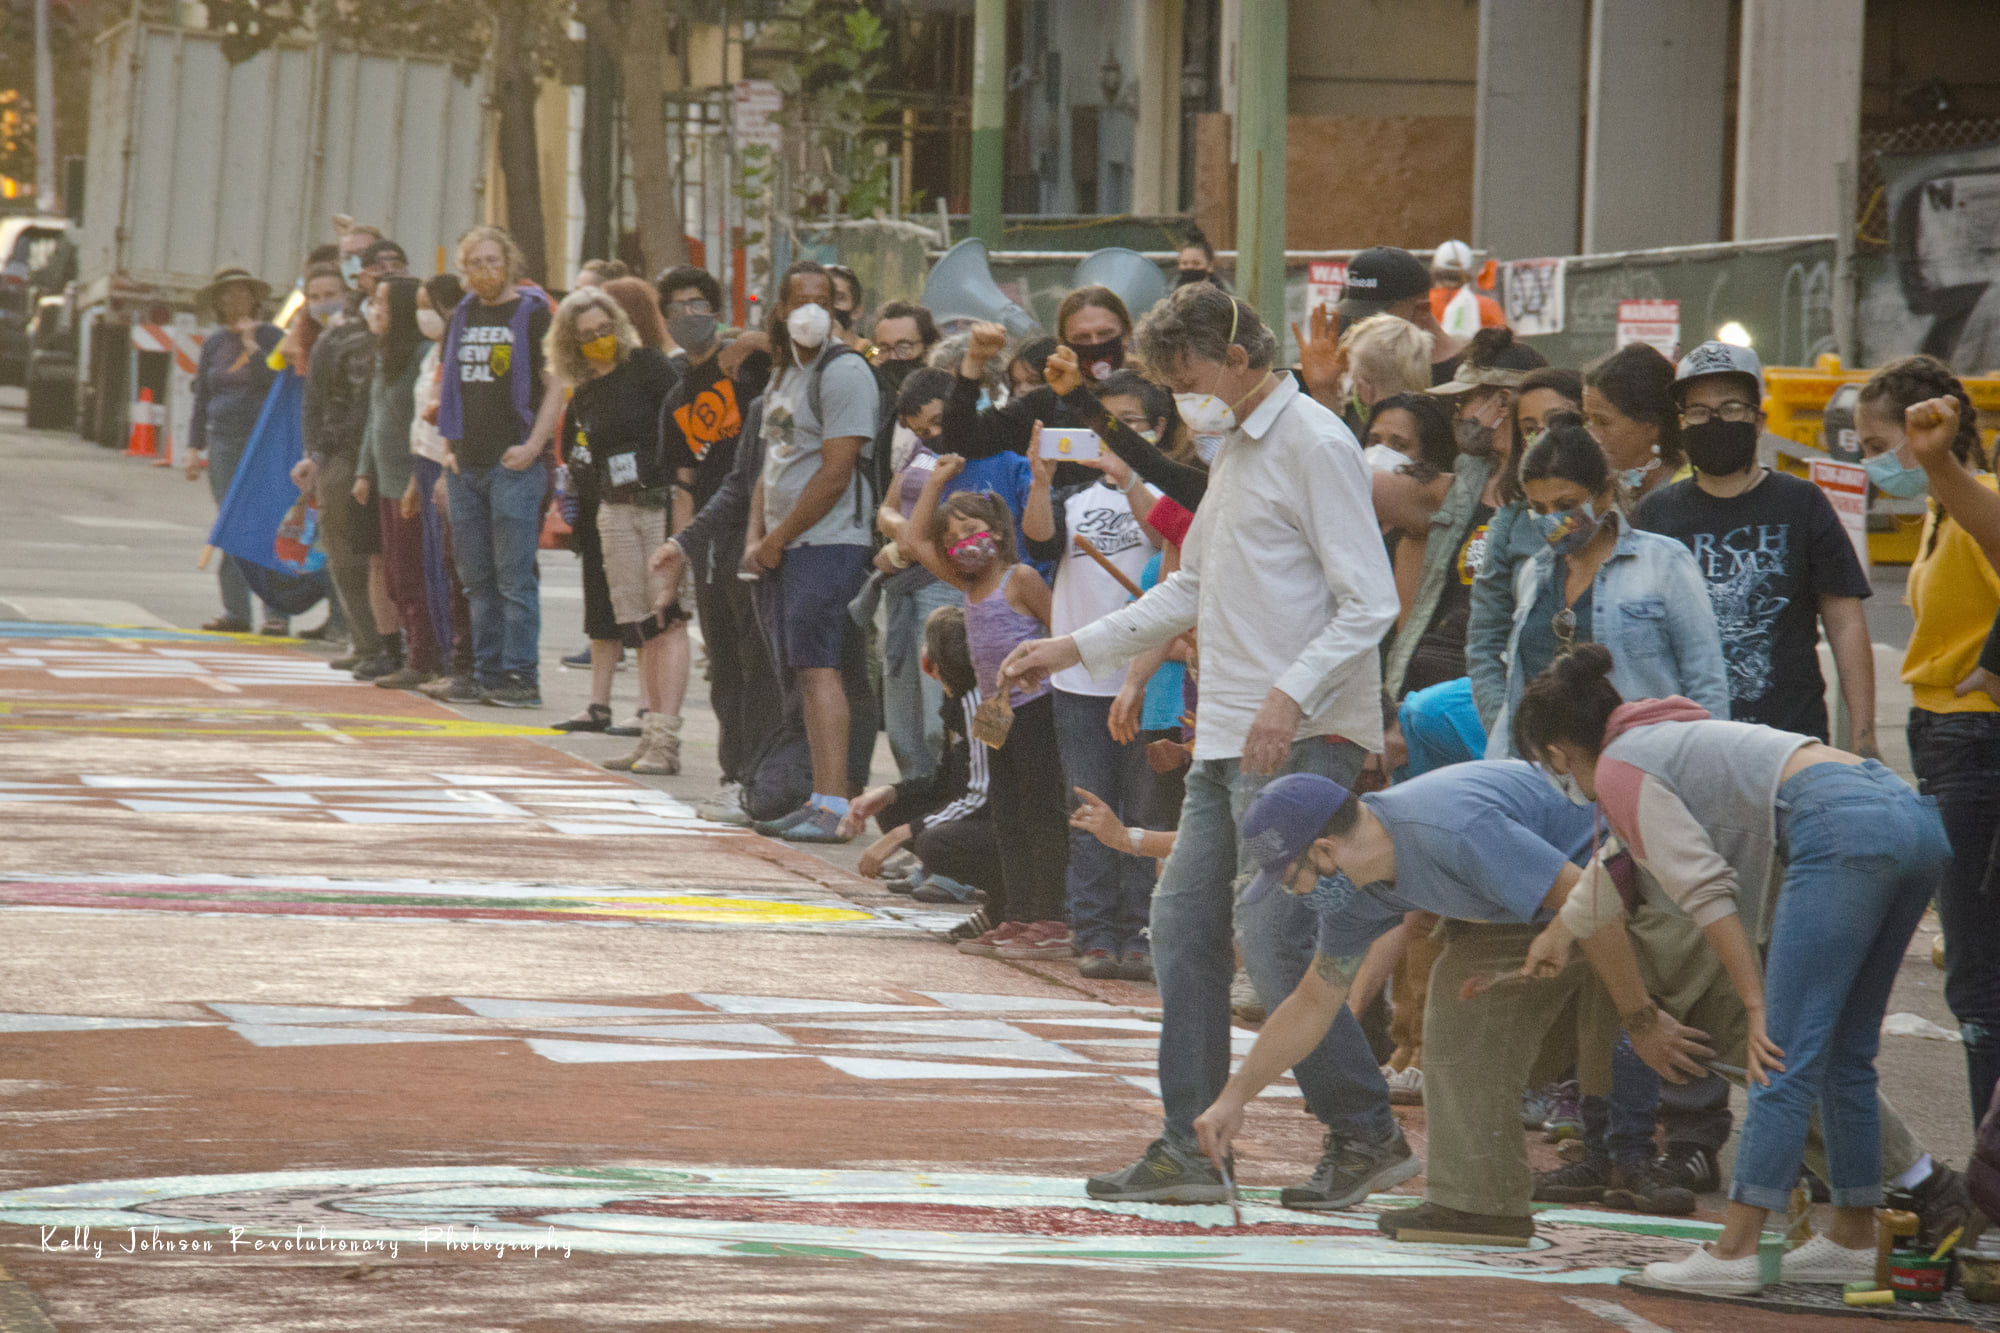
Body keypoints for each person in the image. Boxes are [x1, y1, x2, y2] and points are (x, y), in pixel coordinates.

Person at [1000, 284, 1414, 1210]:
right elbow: (1197, 588)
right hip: (1231, 731)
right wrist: (1075, 645)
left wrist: (1289, 691)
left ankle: (1364, 1130)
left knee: (1270, 937)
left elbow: (1371, 599)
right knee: (1181, 928)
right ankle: (1190, 1142)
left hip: (1299, 732)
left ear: (1234, 355)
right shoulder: (1236, 449)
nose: (1184, 395)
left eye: (1186, 375)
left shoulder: (1313, 441)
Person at [1515, 646, 1952, 1293]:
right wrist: (1559, 932)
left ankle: (1735, 1249)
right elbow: (1617, 859)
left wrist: (1753, 1006)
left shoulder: (1617, 768)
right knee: (1842, 1058)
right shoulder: (1657, 732)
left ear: (1556, 752)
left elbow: (1704, 887)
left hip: (1839, 827)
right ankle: (1857, 1238)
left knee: (1779, 1052)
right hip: (1909, 817)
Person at [1192, 764, 1598, 1244]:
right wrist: (1233, 1099)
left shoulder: (1448, 830)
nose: (1291, 892)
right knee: (1458, 1009)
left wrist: (1639, 1011)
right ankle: (1481, 1206)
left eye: (1289, 877)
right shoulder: (1351, 888)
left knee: (1630, 1017)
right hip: (1523, 907)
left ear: (1325, 851)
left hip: (1601, 880)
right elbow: (1314, 1001)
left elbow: (1586, 893)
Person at [1856, 360, 2000, 1127]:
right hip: (1948, 736)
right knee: (1975, 974)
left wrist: (1987, 677)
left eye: (1880, 442)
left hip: (1973, 740)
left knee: (1978, 980)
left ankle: (1992, 1178)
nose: (1874, 460)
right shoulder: (1941, 517)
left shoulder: (1975, 504)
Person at [1637, 341, 1876, 751]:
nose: (1714, 421)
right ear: (1681, 423)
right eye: (1698, 411)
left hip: (1789, 744)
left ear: (1759, 421)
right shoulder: (1654, 515)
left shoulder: (1802, 503)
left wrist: (1864, 736)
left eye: (1731, 408)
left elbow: (1845, 622)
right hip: (1684, 746)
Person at [1485, 415, 1728, 758]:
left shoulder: (1664, 562)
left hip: (1643, 765)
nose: (1551, 519)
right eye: (1538, 508)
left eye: (1565, 505)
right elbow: (1518, 691)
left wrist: (1707, 769)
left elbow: (1707, 682)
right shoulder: (1532, 575)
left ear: (1604, 493)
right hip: (1547, 774)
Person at [904, 458, 1070, 957]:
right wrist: (934, 482)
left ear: (998, 532)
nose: (964, 544)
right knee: (1008, 816)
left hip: (1036, 709)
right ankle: (1017, 914)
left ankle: (1051, 917)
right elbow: (914, 540)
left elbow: (1059, 632)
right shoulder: (968, 586)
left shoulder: (1019, 580)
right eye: (953, 539)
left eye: (973, 531)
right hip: (996, 719)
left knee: (1041, 814)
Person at [743, 260, 881, 841]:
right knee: (804, 670)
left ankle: (834, 803)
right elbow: (771, 465)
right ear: (779, 309)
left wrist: (777, 538)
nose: (811, 310)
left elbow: (835, 470)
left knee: (822, 670)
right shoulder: (784, 374)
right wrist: (757, 537)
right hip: (786, 546)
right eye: (799, 299)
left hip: (828, 542)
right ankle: (816, 794)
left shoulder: (843, 371)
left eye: (823, 300)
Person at [1024, 420, 1162, 982]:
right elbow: (1036, 541)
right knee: (1088, 806)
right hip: (1079, 682)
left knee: (1143, 809)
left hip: (1146, 682)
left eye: (1135, 423)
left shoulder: (1167, 497)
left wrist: (1128, 476)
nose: (1119, 435)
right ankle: (1095, 933)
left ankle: (1140, 931)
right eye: (1109, 425)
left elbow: (1166, 541)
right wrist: (1039, 481)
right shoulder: (1072, 499)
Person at [650, 265, 775, 821]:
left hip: (761, 527)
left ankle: (765, 779)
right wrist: (678, 556)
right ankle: (733, 776)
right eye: (675, 307)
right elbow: (682, 486)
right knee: (724, 666)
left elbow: (803, 354)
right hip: (709, 539)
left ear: (717, 308)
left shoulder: (748, 366)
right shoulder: (677, 396)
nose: (688, 317)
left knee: (759, 664)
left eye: (699, 304)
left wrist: (749, 339)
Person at [548, 286, 686, 771]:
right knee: (637, 622)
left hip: (657, 501)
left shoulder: (648, 367)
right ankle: (649, 735)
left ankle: (666, 735)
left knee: (666, 615)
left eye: (605, 330)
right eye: (586, 335)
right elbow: (578, 450)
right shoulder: (585, 392)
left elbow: (681, 423)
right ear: (571, 342)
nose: (598, 340)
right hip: (612, 506)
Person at [1381, 328, 1549, 700]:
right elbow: (1355, 485)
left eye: (1466, 402)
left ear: (1503, 403)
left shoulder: (1552, 500)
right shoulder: (1458, 489)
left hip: (1496, 688)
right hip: (1424, 684)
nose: (1459, 416)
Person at [436, 224, 562, 709]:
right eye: (476, 263)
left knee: (514, 579)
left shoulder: (533, 315)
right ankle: (486, 673)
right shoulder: (461, 316)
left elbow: (556, 384)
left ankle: (521, 677)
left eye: (494, 260)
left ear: (509, 262)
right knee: (477, 580)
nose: (487, 270)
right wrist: (448, 446)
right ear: (464, 270)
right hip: (465, 464)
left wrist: (533, 446)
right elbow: (450, 386)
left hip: (513, 464)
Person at [837, 603, 999, 906]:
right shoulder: (959, 697)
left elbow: (981, 795)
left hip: (1000, 822)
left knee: (933, 841)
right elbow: (947, 783)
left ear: (928, 664)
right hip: (983, 810)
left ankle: (957, 877)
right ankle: (933, 867)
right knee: (890, 804)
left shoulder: (982, 706)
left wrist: (901, 834)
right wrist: (889, 792)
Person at [1467, 367, 1585, 729]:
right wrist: (1505, 726)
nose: (1542, 437)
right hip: (1527, 728)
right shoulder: (1509, 523)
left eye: (1556, 422)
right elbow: (1484, 645)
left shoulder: (1614, 518)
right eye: (1529, 428)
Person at [293, 258, 390, 678]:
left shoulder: (389, 335)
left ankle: (388, 644)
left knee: (382, 557)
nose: (323, 303)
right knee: (343, 553)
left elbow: (367, 404)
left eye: (330, 294)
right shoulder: (332, 338)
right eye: (314, 297)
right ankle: (365, 640)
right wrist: (315, 454)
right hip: (341, 455)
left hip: (378, 451)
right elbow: (314, 402)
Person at [186, 265, 284, 635]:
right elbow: (203, 397)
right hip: (224, 440)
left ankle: (276, 612)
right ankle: (236, 611)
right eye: (228, 294)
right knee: (231, 522)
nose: (236, 300)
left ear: (255, 299)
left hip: (263, 441)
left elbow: (275, 379)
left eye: (243, 293)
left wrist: (251, 344)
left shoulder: (272, 336)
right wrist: (193, 447)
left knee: (267, 523)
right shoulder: (213, 344)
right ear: (218, 302)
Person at [355, 275, 441, 689]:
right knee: (392, 572)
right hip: (384, 479)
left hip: (411, 478)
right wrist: (363, 470)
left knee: (413, 572)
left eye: (385, 303)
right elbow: (374, 418)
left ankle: (423, 656)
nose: (377, 310)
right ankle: (407, 652)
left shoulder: (422, 353)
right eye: (374, 302)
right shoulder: (383, 353)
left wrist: (414, 477)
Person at [409, 274, 473, 694]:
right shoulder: (430, 353)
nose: (422, 313)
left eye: (427, 303)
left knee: (452, 568)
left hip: (446, 461)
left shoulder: (457, 347)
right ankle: (441, 657)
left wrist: (448, 465)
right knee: (432, 567)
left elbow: (448, 409)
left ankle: (456, 657)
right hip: (424, 459)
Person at [1338, 246, 1461, 383]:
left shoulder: (1463, 377)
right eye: (1355, 318)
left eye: (1374, 320)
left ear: (1421, 311)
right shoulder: (1369, 367)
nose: (1359, 329)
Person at [1583, 342, 1685, 505]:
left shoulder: (1684, 498)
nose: (1592, 435)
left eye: (1602, 422)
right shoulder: (1593, 494)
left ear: (1651, 426)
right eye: (1587, 421)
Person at [1427, 239, 1506, 331]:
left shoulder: (1423, 303)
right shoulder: (1488, 306)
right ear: (1470, 273)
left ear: (1434, 273)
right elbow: (1505, 341)